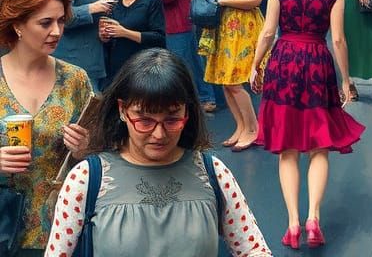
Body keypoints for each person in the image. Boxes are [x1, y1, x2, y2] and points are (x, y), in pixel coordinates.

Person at [46, 49, 272, 257]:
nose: (159, 134)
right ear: (123, 110)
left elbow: (253, 249)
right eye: (145, 120)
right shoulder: (85, 179)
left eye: (172, 119)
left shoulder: (214, 173)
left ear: (188, 111)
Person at [251, 0, 365, 250]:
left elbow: (269, 31)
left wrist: (255, 64)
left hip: (284, 62)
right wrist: (347, 79)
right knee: (319, 146)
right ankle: (314, 216)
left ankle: (292, 223)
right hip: (317, 62)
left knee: (287, 149)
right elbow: (339, 39)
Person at [0, 0, 92, 254]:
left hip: (63, 224)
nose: (56, 31)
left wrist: (85, 149)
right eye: (45, 23)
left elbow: (104, 153)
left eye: (61, 21)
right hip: (5, 225)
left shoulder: (75, 79)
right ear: (17, 25)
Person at [199, 0, 267, 152]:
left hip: (244, 26)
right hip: (223, 24)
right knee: (225, 81)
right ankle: (240, 126)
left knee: (236, 81)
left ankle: (252, 128)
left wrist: (227, 0)